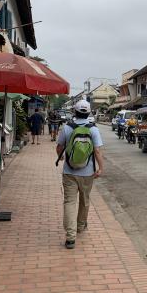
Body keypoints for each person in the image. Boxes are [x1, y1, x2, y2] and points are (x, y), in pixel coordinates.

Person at [56, 100, 104, 249]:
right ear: (88, 113)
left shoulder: (67, 128)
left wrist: (62, 157)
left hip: (69, 172)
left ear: (74, 112)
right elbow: (97, 151)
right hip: (88, 173)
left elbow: (59, 147)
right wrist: (100, 168)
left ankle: (70, 237)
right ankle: (81, 226)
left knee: (70, 202)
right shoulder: (93, 129)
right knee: (85, 200)